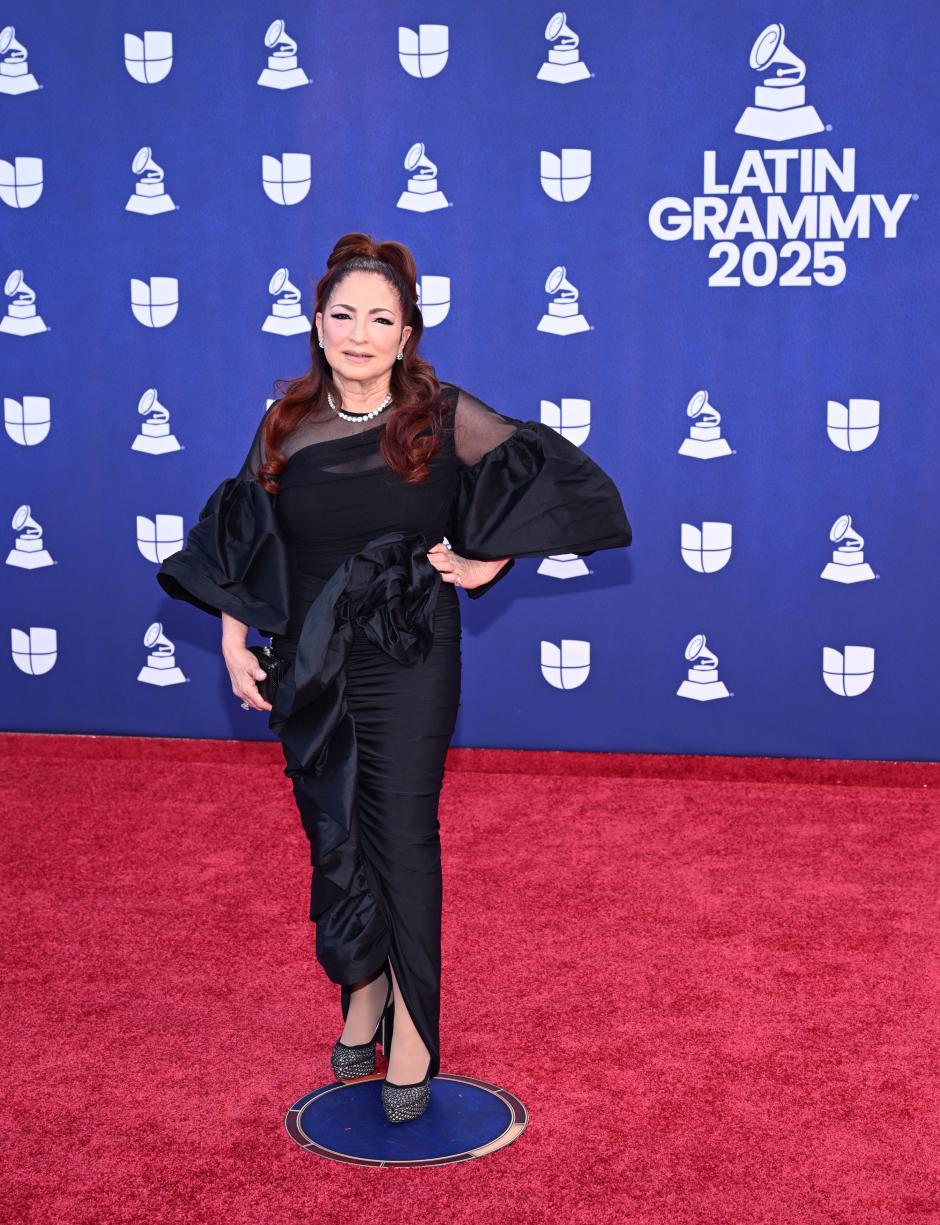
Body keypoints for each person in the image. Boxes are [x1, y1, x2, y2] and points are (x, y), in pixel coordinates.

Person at [156, 232, 632, 1124]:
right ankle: (363, 990)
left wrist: (491, 559)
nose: (361, 333)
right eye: (345, 315)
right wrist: (231, 640)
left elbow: (552, 483)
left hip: (411, 648)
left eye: (382, 318)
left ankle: (413, 1027)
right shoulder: (285, 422)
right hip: (309, 658)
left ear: (407, 333)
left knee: (402, 830)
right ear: (318, 323)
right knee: (334, 826)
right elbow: (245, 537)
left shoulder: (443, 415)